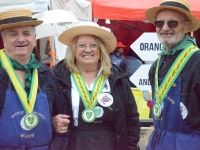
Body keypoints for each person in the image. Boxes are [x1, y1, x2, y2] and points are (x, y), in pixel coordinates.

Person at [51, 21, 140, 150]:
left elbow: (131, 118)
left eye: (93, 45)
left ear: (101, 50)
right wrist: (52, 123)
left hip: (111, 144)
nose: (88, 50)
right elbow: (44, 112)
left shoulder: (117, 78)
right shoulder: (57, 77)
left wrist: (130, 146)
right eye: (81, 45)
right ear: (73, 50)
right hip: (72, 144)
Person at [0, 8, 67, 149]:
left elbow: (62, 119)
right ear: (3, 39)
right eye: (13, 34)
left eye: (26, 33)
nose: (21, 39)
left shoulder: (46, 74)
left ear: (34, 38)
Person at [145, 0, 200, 149]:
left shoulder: (197, 60)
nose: (165, 28)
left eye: (172, 23)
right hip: (158, 141)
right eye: (159, 23)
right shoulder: (157, 64)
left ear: (187, 26)